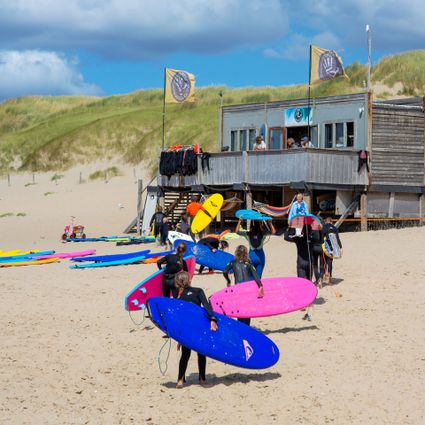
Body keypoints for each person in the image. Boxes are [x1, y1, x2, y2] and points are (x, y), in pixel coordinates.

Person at [175, 271, 218, 388]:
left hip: (186, 328)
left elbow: (179, 318)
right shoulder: (198, 291)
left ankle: (180, 380)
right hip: (199, 326)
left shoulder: (178, 297)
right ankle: (202, 379)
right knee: (201, 353)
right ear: (189, 280)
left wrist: (178, 336)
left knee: (185, 354)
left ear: (177, 283)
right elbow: (207, 306)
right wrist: (213, 319)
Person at [223, 245, 263, 326]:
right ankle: (247, 327)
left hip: (238, 288)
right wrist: (260, 286)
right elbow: (256, 276)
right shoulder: (249, 263)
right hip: (247, 289)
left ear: (236, 252)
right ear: (245, 253)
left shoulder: (233, 262)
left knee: (239, 309)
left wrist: (228, 281)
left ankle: (241, 327)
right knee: (247, 309)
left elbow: (225, 271)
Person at [322, 217, 343, 284]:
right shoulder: (335, 228)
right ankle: (329, 279)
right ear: (331, 222)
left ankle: (323, 276)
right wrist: (341, 248)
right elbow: (337, 239)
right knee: (330, 263)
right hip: (332, 247)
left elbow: (321, 238)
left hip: (325, 247)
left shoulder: (323, 227)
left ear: (326, 222)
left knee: (323, 262)